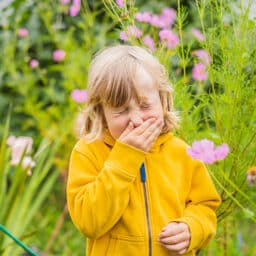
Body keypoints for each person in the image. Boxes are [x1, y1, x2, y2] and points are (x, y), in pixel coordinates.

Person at [66, 44, 221, 256]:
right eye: (121, 111)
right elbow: (89, 222)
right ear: (100, 112)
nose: (137, 120)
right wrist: (124, 159)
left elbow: (205, 206)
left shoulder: (181, 153)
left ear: (163, 100)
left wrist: (191, 229)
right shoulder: (88, 152)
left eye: (146, 105)